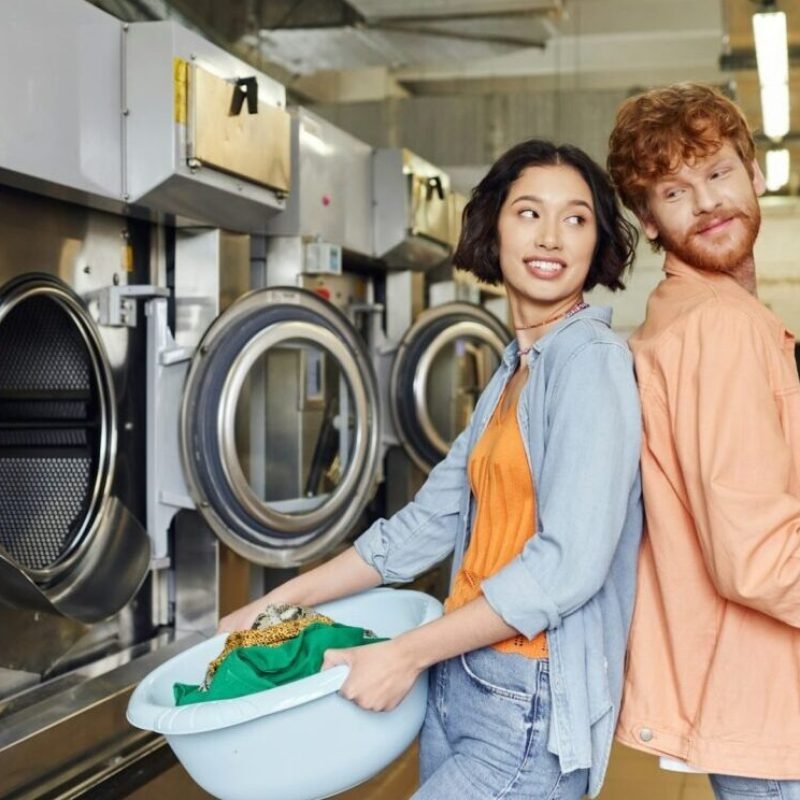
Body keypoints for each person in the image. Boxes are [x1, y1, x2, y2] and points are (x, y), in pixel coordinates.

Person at [220, 139, 642, 799]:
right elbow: (422, 525)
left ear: (598, 242)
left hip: (527, 702)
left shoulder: (591, 362)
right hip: (460, 676)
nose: (552, 236)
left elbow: (568, 565)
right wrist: (274, 606)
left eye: (577, 218)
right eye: (529, 213)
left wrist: (404, 654)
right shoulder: (513, 369)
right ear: (493, 228)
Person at [607, 82, 800, 799]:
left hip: (749, 702)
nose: (708, 201)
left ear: (754, 175)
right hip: (772, 708)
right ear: (649, 223)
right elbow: (755, 557)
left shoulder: (696, 313)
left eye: (717, 172)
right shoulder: (721, 327)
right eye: (673, 191)